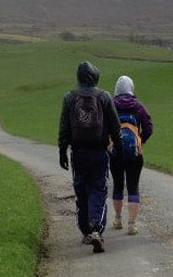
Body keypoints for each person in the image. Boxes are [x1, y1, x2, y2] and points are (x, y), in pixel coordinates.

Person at [58, 61, 122, 254]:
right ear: (96, 77)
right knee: (98, 190)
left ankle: (86, 230)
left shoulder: (69, 97)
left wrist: (62, 151)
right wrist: (117, 150)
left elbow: (64, 128)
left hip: (78, 153)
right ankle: (96, 229)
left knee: (81, 191)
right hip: (99, 152)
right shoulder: (104, 97)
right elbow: (115, 126)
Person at [110, 75, 153, 235]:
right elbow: (148, 127)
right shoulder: (138, 106)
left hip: (115, 152)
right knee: (133, 187)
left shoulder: (111, 105)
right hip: (135, 152)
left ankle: (118, 219)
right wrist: (140, 141)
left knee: (118, 185)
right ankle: (132, 224)